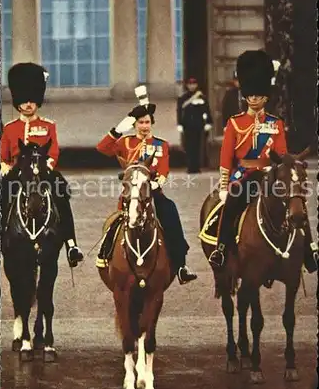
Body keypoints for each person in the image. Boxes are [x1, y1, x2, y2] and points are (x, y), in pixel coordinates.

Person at [209, 50, 317, 273]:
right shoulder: (235, 123)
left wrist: (285, 165)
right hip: (245, 175)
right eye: (251, 95)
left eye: (258, 96)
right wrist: (223, 185)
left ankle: (310, 250)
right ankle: (220, 249)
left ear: (266, 97)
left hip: (271, 174)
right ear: (246, 96)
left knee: (297, 203)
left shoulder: (275, 124)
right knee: (230, 205)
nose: (254, 99)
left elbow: (282, 153)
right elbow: (226, 157)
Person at [96, 99, 198, 285]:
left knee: (171, 214)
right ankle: (104, 256)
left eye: (147, 122)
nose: (144, 126)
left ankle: (181, 266)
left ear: (152, 124)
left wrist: (156, 184)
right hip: (130, 196)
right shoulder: (125, 142)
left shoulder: (161, 145)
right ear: (134, 125)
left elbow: (164, 170)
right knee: (113, 226)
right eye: (140, 122)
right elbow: (102, 148)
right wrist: (117, 130)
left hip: (153, 194)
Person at [0, 62, 84, 267]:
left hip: (43, 171)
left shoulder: (48, 126)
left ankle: (71, 244)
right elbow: (4, 154)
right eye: (24, 101)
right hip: (17, 173)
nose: (28, 104)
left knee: (61, 197)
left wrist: (48, 163)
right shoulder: (11, 129)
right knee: (2, 201)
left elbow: (53, 149)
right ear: (17, 102)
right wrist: (4, 166)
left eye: (32, 100)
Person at [177, 77, 213, 174]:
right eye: (190, 84)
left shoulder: (202, 97)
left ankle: (197, 167)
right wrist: (179, 123)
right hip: (187, 125)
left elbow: (207, 110)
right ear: (187, 85)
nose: (192, 86)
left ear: (196, 85)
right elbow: (179, 112)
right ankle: (190, 167)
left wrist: (209, 122)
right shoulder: (183, 98)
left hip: (198, 125)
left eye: (194, 84)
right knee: (189, 147)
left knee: (197, 147)